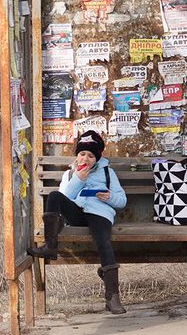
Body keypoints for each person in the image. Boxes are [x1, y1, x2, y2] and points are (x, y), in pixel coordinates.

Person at [27, 130, 129, 315]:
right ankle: (50, 246)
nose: (86, 158)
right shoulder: (70, 174)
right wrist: (78, 178)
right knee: (54, 196)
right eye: (82, 154)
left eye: (91, 155)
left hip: (99, 212)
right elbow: (65, 196)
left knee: (103, 241)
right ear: (77, 155)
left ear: (97, 158)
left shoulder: (108, 172)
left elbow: (122, 201)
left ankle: (113, 296)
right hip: (76, 213)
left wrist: (109, 197)